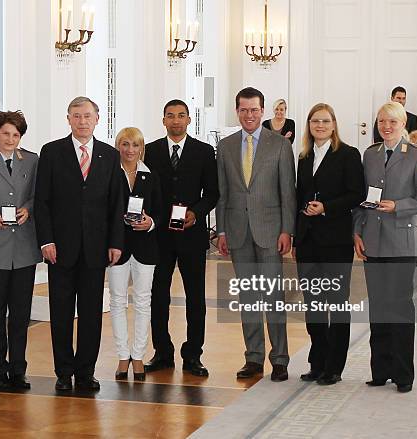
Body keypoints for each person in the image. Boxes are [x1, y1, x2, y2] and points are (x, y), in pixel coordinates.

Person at [34, 96, 124, 392]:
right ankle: (63, 372)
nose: (82, 121)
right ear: (68, 119)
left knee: (91, 315)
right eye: (76, 115)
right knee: (60, 314)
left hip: (96, 250)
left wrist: (115, 243)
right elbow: (42, 201)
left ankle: (86, 371)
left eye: (87, 115)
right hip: (60, 249)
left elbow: (115, 204)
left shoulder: (110, 156)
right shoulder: (51, 152)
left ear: (97, 119)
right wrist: (45, 240)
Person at [353, 101, 417, 393]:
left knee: (400, 307)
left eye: (392, 122)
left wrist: (398, 205)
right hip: (372, 240)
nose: (386, 127)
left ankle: (403, 374)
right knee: (378, 306)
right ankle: (380, 369)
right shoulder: (370, 154)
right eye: (381, 122)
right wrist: (357, 232)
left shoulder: (416, 155)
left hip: (401, 240)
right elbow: (361, 199)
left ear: (403, 125)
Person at [216, 87, 296, 381]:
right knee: (248, 297)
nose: (249, 115)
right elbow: (223, 193)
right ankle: (253, 357)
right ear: (237, 111)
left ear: (262, 112)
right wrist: (221, 230)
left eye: (254, 110)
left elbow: (288, 192)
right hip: (237, 232)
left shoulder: (279, 145)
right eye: (243, 110)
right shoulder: (225, 146)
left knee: (273, 296)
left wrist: (288, 230)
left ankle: (280, 358)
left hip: (271, 231)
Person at [143, 99, 219, 377]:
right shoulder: (149, 152)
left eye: (181, 115)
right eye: (170, 116)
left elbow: (212, 192)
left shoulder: (203, 151)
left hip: (192, 235)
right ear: (163, 120)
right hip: (159, 235)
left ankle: (193, 355)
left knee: (195, 296)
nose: (176, 120)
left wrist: (196, 214)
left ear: (189, 120)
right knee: (158, 295)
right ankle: (162, 352)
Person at [293, 103, 365, 385]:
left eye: (325, 121)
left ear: (334, 124)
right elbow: (298, 196)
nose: (320, 125)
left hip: (335, 240)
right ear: (309, 125)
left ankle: (334, 366)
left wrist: (326, 207)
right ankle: (317, 360)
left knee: (336, 303)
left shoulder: (347, 154)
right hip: (309, 240)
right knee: (312, 305)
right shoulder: (303, 156)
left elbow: (356, 193)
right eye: (314, 121)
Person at [0, 110, 41, 390]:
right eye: (5, 133)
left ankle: (18, 370)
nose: (10, 139)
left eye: (16, 134)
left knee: (21, 314)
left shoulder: (34, 160)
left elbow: (41, 195)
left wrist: (29, 208)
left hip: (24, 248)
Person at [108, 127, 162, 381]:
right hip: (116, 247)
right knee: (117, 302)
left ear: (142, 148)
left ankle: (138, 355)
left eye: (135, 145)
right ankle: (122, 356)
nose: (130, 150)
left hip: (145, 247)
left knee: (143, 302)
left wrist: (150, 222)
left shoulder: (151, 176)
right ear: (118, 146)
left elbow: (160, 211)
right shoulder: (109, 174)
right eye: (125, 144)